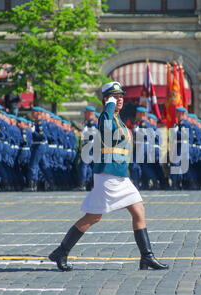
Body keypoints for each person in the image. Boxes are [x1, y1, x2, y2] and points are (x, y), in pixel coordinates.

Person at [48, 81, 168, 272]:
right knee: (93, 216)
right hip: (109, 174)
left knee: (137, 210)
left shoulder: (117, 118)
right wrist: (109, 105)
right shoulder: (106, 115)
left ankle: (147, 257)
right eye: (115, 96)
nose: (120, 99)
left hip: (119, 173)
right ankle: (61, 252)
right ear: (106, 99)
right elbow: (105, 128)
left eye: (121, 96)